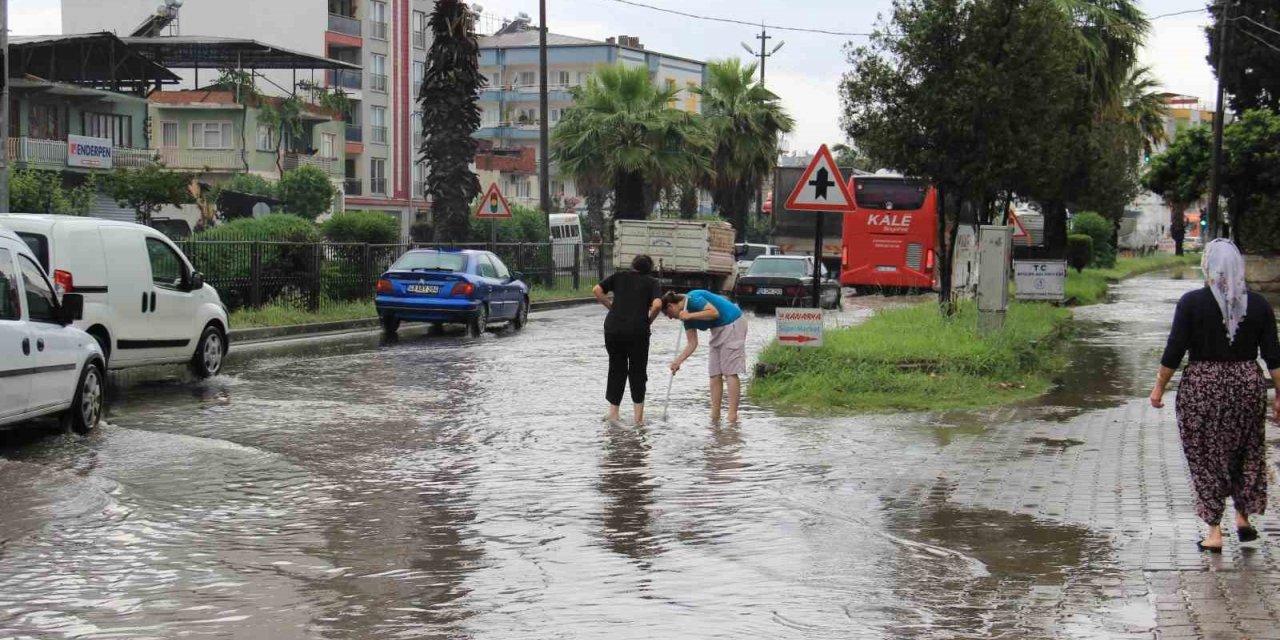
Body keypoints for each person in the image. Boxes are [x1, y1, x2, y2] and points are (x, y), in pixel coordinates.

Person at [1150, 239, 1280, 552]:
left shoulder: (1191, 302)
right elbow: (1273, 356)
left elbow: (1175, 349)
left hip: (1202, 387)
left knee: (1206, 456)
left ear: (1207, 266)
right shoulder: (1259, 304)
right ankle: (1242, 517)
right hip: (1247, 385)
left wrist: (1158, 388)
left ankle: (1214, 532)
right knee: (1247, 450)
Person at [594, 255, 663, 425]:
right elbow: (658, 305)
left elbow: (596, 290)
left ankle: (613, 413)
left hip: (613, 329)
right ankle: (638, 419)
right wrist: (648, 321)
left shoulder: (618, 276)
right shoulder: (652, 282)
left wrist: (611, 307)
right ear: (649, 269)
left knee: (616, 367)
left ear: (633, 266)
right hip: (638, 331)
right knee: (637, 371)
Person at [663, 290, 748, 423]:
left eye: (669, 315)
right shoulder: (685, 317)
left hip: (733, 323)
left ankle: (732, 416)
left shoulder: (693, 298)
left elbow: (714, 312)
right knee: (714, 373)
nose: (671, 318)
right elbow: (692, 343)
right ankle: (715, 416)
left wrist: (689, 316)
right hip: (717, 330)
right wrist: (678, 361)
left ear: (670, 306)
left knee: (730, 372)